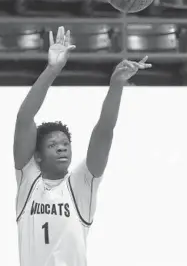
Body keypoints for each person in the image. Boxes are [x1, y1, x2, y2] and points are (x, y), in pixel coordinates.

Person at [14, 26, 152, 266]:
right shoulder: (29, 181)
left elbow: (103, 132)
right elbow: (24, 118)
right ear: (36, 156)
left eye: (65, 143)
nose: (61, 148)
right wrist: (52, 69)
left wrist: (116, 85)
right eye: (52, 144)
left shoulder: (81, 184)